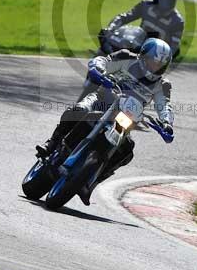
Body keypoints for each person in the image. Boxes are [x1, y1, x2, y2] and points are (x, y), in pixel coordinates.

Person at [35, 38, 175, 204]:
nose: (155, 67)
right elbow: (102, 60)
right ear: (143, 56)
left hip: (125, 117)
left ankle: (91, 183)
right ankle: (52, 143)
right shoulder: (125, 57)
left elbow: (164, 105)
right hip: (101, 101)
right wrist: (98, 70)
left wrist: (167, 123)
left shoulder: (162, 85)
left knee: (127, 151)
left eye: (160, 65)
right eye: (153, 62)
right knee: (78, 111)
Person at [101, 0, 185, 58]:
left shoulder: (177, 21)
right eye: (163, 0)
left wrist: (162, 58)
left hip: (154, 55)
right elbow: (125, 17)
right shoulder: (145, 5)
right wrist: (111, 27)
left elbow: (174, 46)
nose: (165, 3)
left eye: (167, 1)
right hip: (137, 43)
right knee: (111, 41)